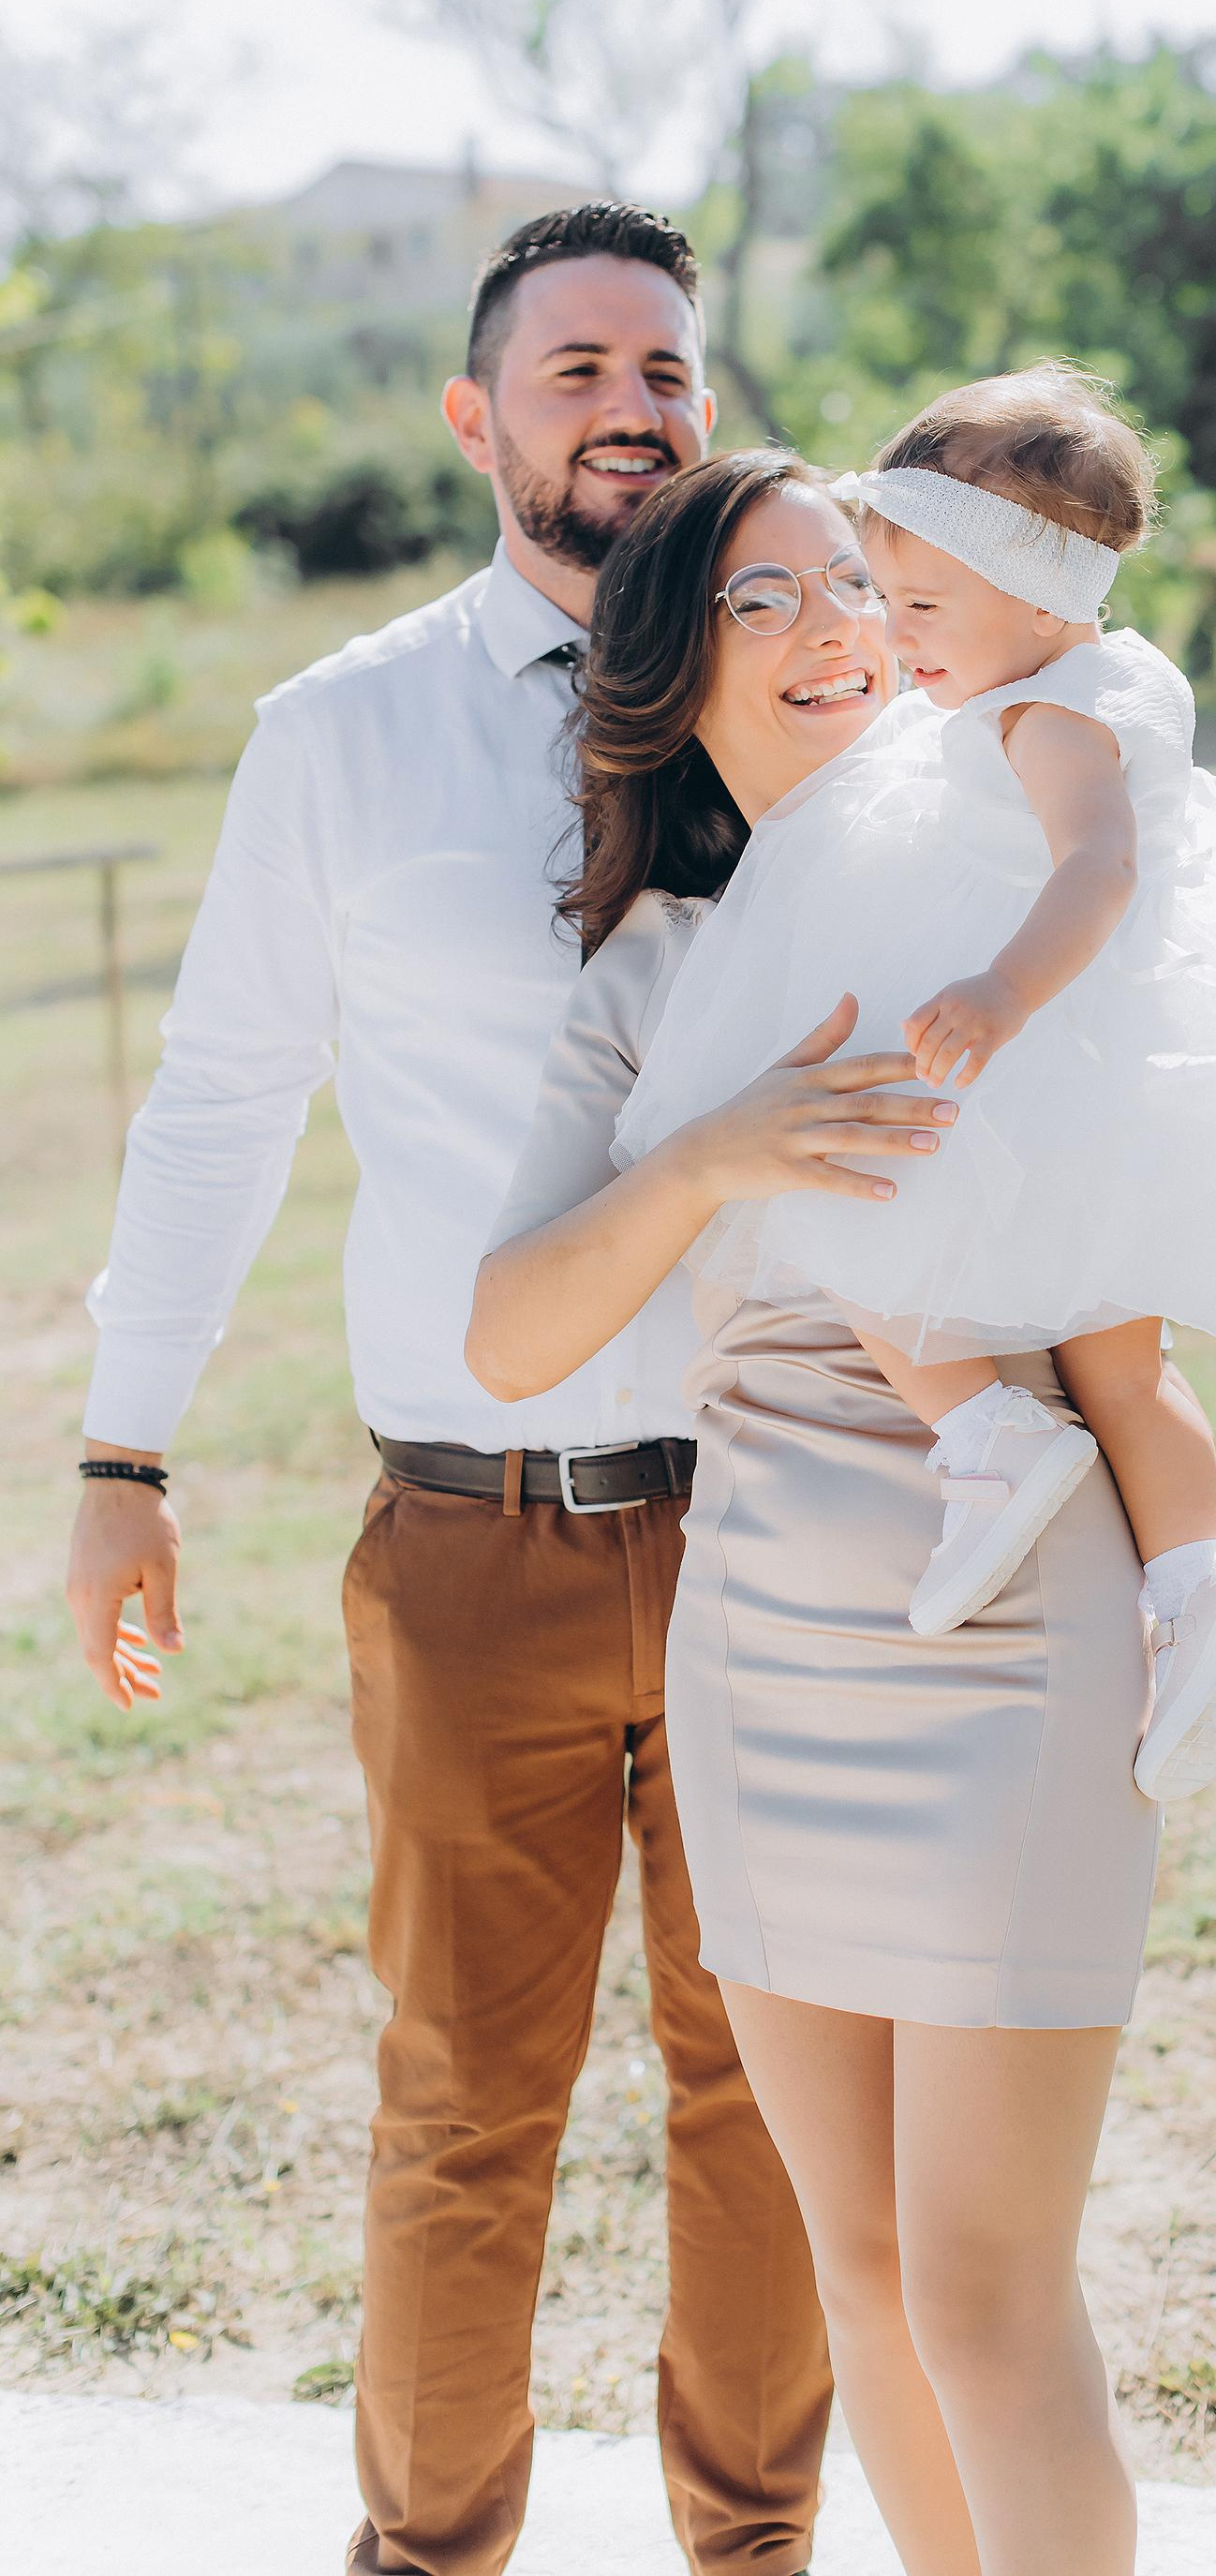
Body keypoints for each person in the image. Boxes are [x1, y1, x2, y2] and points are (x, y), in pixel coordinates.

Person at [60, 204, 901, 2576]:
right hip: (471, 1539)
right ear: (477, 418)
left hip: (777, 1520)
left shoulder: (825, 710)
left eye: (665, 366)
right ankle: (428, 2559)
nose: (629, 402)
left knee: (775, 2100)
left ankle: (757, 2551)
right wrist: (124, 1453)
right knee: (460, 2104)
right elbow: (222, 1102)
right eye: (573, 369)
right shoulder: (335, 742)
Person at [468, 447, 1164, 2576]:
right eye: (760, 603)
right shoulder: (647, 973)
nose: (831, 627)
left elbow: (1134, 1297)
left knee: (981, 2285)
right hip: (759, 1628)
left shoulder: (1007, 890)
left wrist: (1187, 1573)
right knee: (860, 2273)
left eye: (855, 580)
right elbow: (505, 1335)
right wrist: (708, 1155)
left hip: (1003, 1604)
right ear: (674, 681)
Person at [612, 365, 1216, 1803]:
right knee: (1125, 1355)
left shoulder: (1044, 718)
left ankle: (984, 1432)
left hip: (1034, 1031)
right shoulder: (1104, 672)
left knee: (840, 1195)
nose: (892, 634)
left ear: (1037, 602)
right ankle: (1192, 1585)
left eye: (920, 608)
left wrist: (998, 991)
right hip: (1115, 1066)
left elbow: (1095, 866)